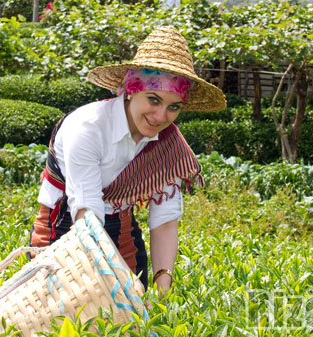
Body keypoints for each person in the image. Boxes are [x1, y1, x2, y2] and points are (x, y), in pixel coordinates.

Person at [29, 26, 226, 295]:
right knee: (57, 316)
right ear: (131, 90)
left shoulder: (169, 144)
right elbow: (87, 214)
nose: (160, 116)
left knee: (133, 326)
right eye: (153, 100)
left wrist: (162, 289)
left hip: (122, 233)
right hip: (65, 225)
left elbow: (165, 220)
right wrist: (119, 287)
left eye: (173, 107)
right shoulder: (88, 128)